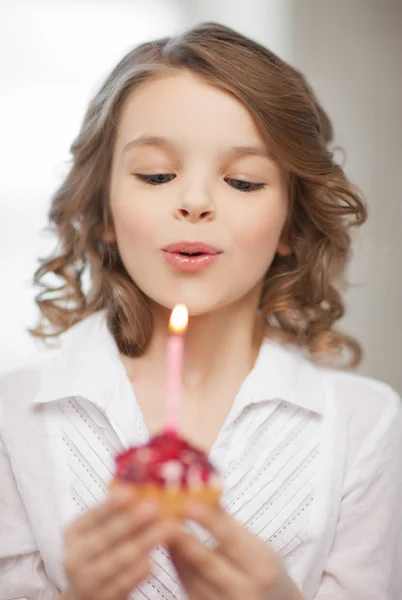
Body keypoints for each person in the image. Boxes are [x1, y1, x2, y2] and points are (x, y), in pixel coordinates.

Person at [0, 21, 401, 600]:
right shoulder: (14, 416)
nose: (194, 202)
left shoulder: (363, 424)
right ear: (105, 210)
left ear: (290, 222)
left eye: (242, 181)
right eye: (157, 175)